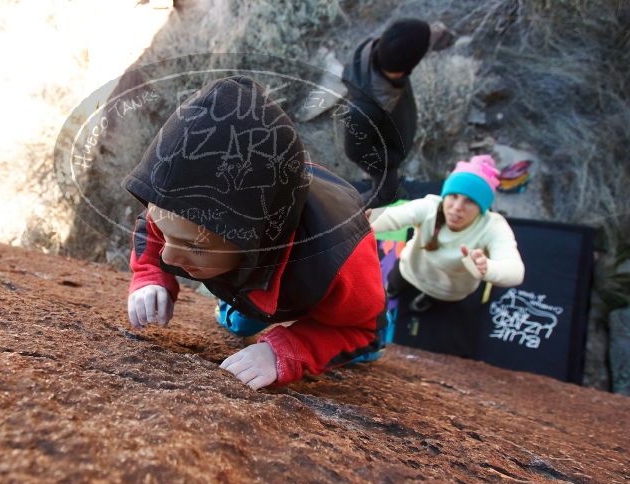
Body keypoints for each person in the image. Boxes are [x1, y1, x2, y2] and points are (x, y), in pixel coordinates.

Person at [124, 76, 385, 390]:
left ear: (255, 238)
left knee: (365, 343)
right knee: (243, 320)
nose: (168, 255)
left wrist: (285, 350)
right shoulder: (178, 211)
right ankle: (245, 300)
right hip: (261, 252)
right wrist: (150, 274)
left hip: (320, 245)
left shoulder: (339, 262)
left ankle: (254, 300)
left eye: (194, 246)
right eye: (167, 233)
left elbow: (360, 329)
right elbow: (152, 223)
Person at [370, 155, 525, 313]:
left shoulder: (493, 227)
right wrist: (364, 222)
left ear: (482, 207)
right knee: (394, 283)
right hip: (411, 268)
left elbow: (514, 272)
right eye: (453, 196)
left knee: (435, 299)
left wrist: (488, 269)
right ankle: (393, 291)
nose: (457, 207)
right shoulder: (430, 207)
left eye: (470, 201)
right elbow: (392, 216)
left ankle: (426, 299)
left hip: (448, 290)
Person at [341, 18, 431, 208]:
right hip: (385, 155)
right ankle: (346, 213)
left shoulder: (379, 55)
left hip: (391, 139)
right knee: (384, 195)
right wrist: (390, 160)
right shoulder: (364, 110)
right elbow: (355, 151)